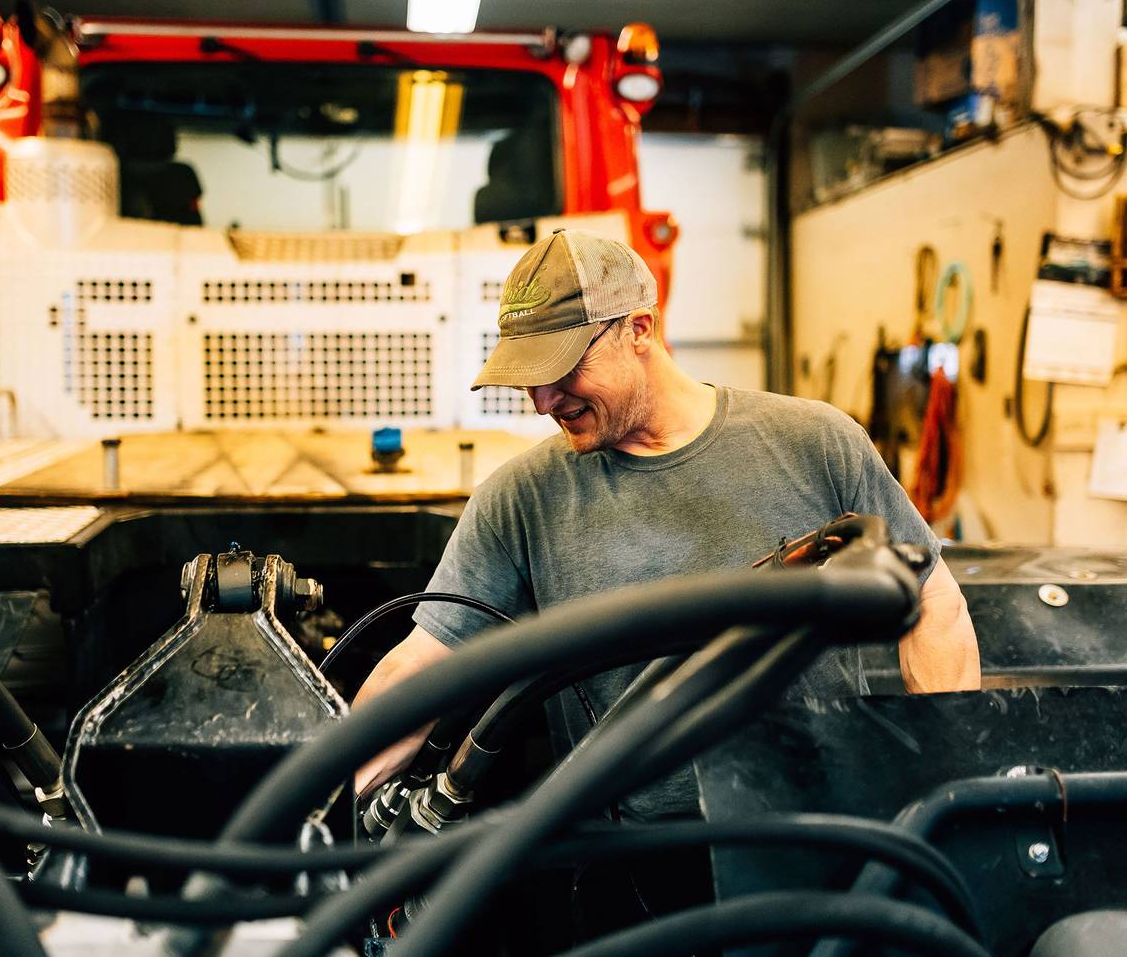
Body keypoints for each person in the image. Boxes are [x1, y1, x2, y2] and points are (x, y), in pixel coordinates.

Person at [353, 229, 981, 807]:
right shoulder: (520, 499)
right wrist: (320, 797)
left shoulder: (813, 442)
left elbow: (934, 606)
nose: (543, 401)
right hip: (629, 866)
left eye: (562, 369)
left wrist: (945, 793)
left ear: (639, 329)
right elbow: (421, 668)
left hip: (814, 838)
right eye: (528, 378)